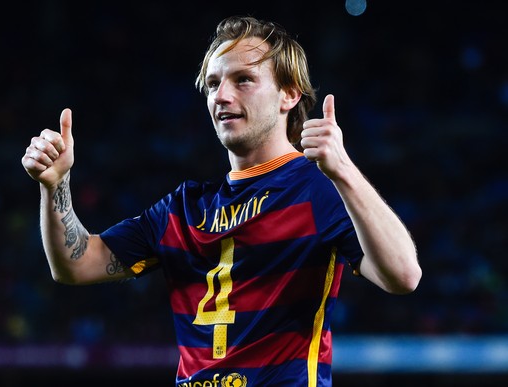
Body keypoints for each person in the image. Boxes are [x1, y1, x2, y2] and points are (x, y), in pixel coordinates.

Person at [21, 15, 421, 387]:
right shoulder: (183, 207)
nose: (221, 96)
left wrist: (345, 172)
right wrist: (55, 185)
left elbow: (404, 276)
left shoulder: (320, 189)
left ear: (288, 95)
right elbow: (76, 264)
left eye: (243, 79)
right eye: (213, 83)